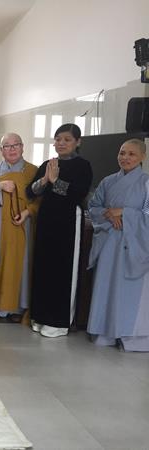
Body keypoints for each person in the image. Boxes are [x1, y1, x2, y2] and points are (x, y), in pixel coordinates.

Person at [27, 124, 92, 337]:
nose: (61, 143)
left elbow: (78, 193)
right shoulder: (48, 164)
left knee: (62, 268)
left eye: (67, 139)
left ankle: (59, 321)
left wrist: (56, 181)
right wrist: (45, 179)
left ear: (77, 142)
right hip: (46, 221)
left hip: (68, 222)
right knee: (43, 267)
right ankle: (40, 316)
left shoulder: (83, 166)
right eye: (58, 139)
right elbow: (31, 192)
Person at [87, 139, 149, 351]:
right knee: (107, 287)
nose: (125, 158)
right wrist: (108, 214)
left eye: (131, 154)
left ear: (142, 157)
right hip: (109, 242)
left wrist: (124, 212)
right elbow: (93, 207)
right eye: (122, 153)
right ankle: (105, 334)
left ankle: (131, 338)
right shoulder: (108, 181)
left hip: (135, 246)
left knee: (130, 292)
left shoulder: (146, 183)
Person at [0, 133, 39, 323]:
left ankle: (19, 307)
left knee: (22, 265)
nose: (11, 149)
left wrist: (28, 212)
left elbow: (41, 198)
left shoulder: (33, 171)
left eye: (15, 145)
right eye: (7, 146)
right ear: (1, 150)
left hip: (24, 226)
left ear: (22, 147)